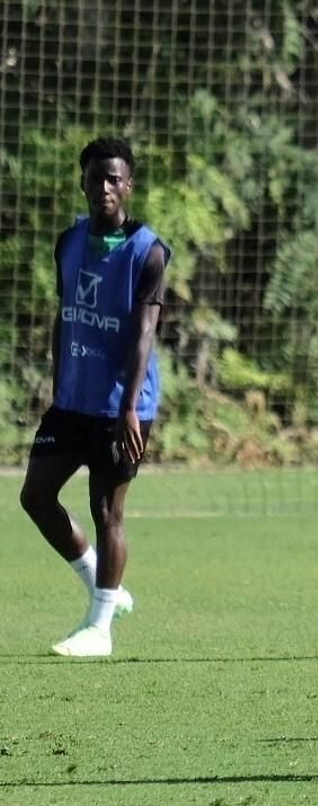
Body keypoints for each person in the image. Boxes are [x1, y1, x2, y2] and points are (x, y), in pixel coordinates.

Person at [20, 137, 169, 658]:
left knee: (107, 509)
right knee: (35, 496)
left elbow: (145, 334)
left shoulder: (147, 250)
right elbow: (64, 316)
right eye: (96, 177)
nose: (105, 187)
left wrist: (129, 407)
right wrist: (58, 385)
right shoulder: (68, 242)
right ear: (82, 181)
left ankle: (100, 627)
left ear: (129, 185)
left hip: (121, 407)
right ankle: (105, 589)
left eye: (115, 178)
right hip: (72, 401)